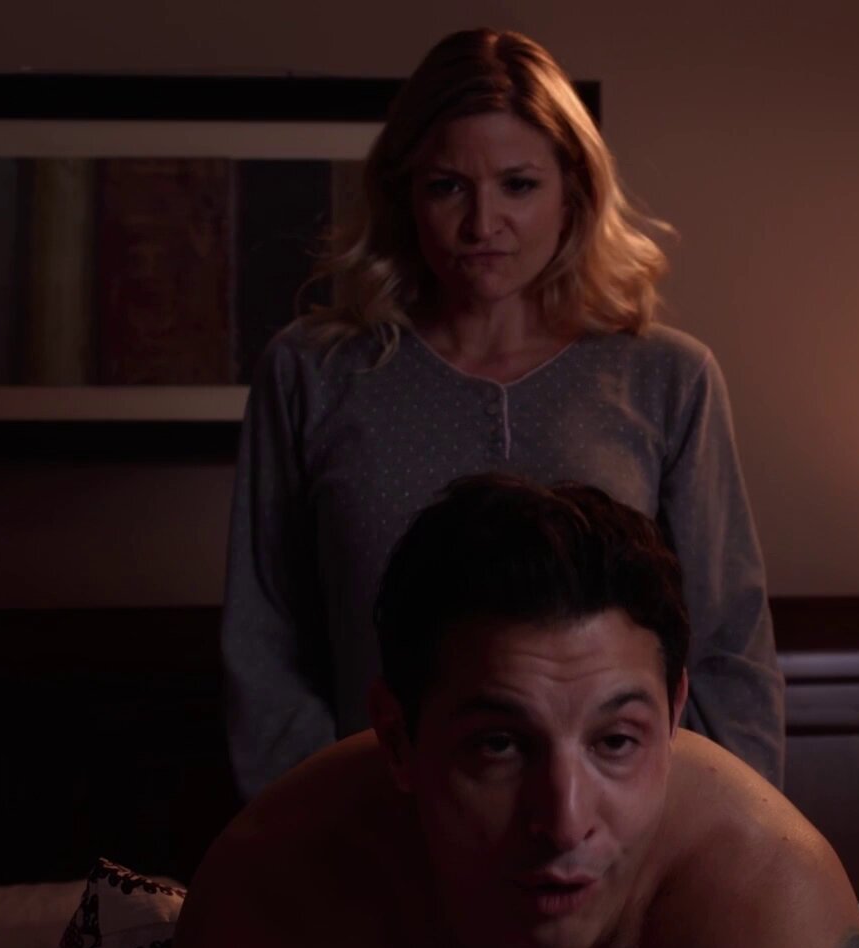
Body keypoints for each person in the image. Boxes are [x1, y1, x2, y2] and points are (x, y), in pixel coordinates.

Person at [164, 475, 859, 948]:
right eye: (500, 745)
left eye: (616, 741)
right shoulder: (269, 896)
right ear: (399, 739)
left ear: (672, 719)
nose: (564, 822)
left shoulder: (772, 906)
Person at [221, 27, 783, 800]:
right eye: (448, 186)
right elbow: (265, 643)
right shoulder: (312, 372)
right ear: (403, 193)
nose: (483, 224)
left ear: (572, 191)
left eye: (518, 185)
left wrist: (713, 838)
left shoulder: (665, 377)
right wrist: (325, 822)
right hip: (373, 818)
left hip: (613, 824)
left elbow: (727, 651)